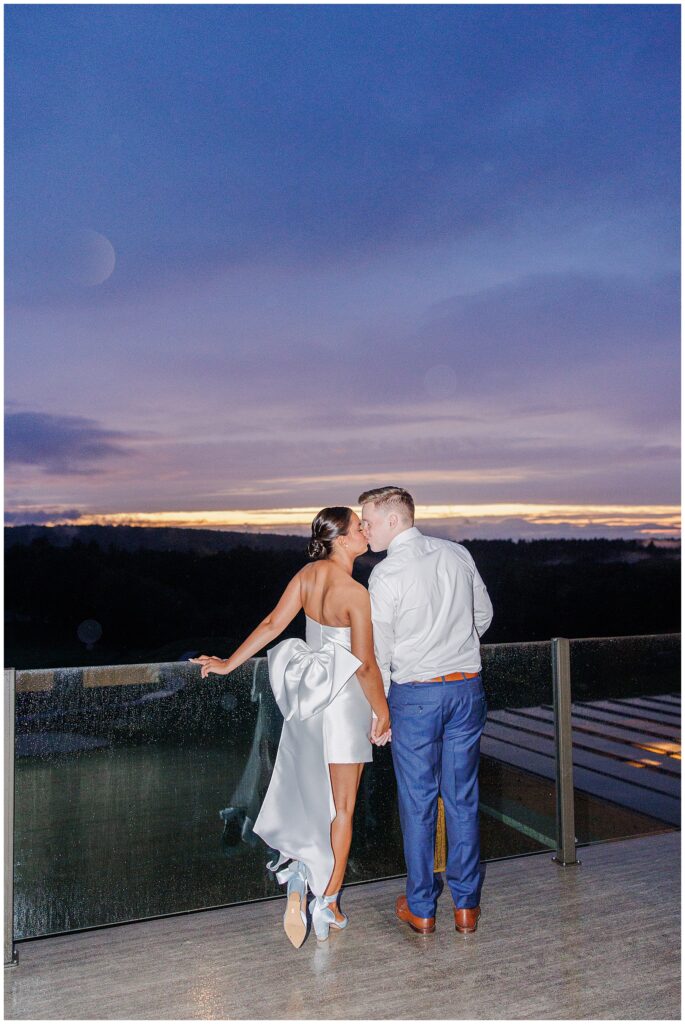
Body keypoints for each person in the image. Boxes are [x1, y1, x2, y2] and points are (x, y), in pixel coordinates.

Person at [190, 507, 390, 948]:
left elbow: (272, 625)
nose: (365, 531)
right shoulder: (355, 592)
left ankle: (300, 878)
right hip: (342, 705)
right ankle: (329, 902)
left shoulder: (307, 575)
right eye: (359, 527)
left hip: (307, 706)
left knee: (311, 800)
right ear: (339, 537)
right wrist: (382, 711)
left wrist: (228, 664)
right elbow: (365, 666)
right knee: (343, 808)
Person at [359, 486, 493, 937]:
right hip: (466, 690)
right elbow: (484, 617)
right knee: (462, 798)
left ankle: (422, 908)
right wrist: (451, 645)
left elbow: (378, 651)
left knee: (417, 802)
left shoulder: (386, 573)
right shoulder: (457, 555)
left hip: (416, 696)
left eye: (369, 521)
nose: (364, 528)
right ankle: (467, 908)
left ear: (394, 521)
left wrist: (380, 710)